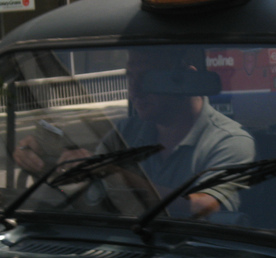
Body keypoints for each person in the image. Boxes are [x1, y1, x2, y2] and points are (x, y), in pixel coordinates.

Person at [14, 50, 255, 218]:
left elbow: (205, 208)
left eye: (147, 78)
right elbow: (88, 194)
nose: (134, 90)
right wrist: (42, 162)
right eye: (130, 76)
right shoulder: (127, 132)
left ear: (185, 80)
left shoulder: (229, 141)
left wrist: (115, 173)